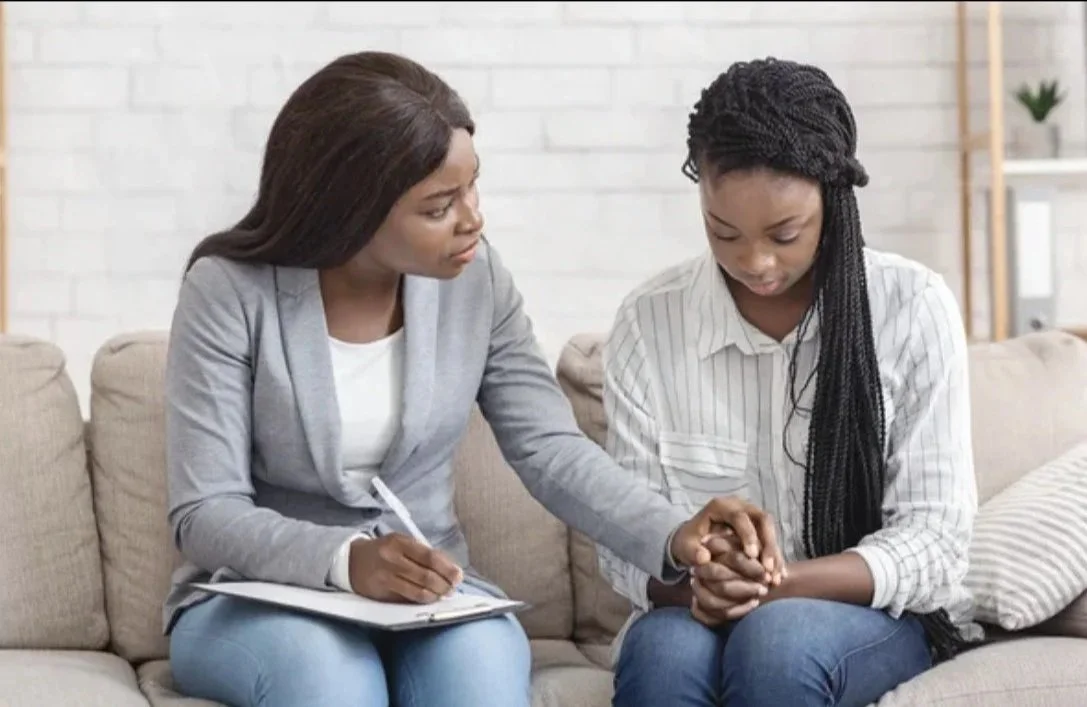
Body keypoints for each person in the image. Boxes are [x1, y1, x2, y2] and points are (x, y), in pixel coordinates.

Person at [160, 50, 771, 707]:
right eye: (438, 206)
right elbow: (206, 510)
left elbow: (549, 448)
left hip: (429, 599)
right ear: (352, 210)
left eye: (471, 186)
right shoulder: (228, 292)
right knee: (332, 682)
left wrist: (675, 532)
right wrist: (345, 560)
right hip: (263, 597)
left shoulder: (475, 280)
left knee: (476, 681)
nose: (471, 219)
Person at [597, 57, 983, 707]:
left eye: (784, 233)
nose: (754, 262)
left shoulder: (911, 307)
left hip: (872, 617)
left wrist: (778, 586)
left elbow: (935, 540)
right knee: (663, 653)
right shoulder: (647, 322)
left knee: (778, 639)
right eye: (723, 231)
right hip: (692, 606)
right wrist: (695, 583)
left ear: (832, 200)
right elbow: (623, 539)